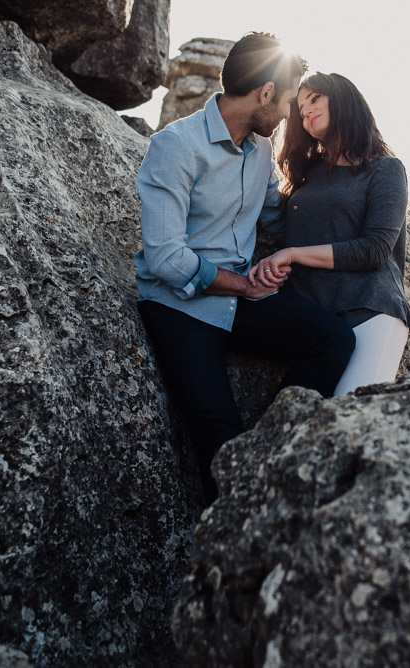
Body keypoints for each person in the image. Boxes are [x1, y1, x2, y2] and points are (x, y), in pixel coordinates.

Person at [134, 34, 356, 503]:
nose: (290, 114)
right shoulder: (176, 146)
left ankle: (269, 450)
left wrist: (346, 206)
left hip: (240, 299)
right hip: (181, 307)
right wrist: (245, 286)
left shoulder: (259, 152)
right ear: (266, 93)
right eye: (291, 101)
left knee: (334, 340)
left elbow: (277, 217)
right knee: (221, 451)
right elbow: (166, 258)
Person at [249, 72, 410, 396]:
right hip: (315, 320)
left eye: (315, 99)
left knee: (347, 427)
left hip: (369, 313)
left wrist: (294, 254)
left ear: (343, 100)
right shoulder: (308, 172)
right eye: (300, 108)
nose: (307, 112)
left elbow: (374, 250)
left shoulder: (385, 169)